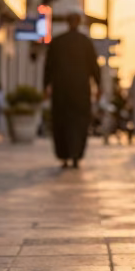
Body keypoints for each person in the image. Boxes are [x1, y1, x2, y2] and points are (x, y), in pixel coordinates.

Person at [44, 12, 100, 168]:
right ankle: (74, 154)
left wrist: (45, 86)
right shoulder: (85, 42)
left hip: (62, 91)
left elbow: (48, 68)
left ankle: (66, 156)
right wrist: (99, 86)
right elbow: (95, 68)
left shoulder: (58, 42)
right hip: (79, 91)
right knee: (77, 123)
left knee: (63, 122)